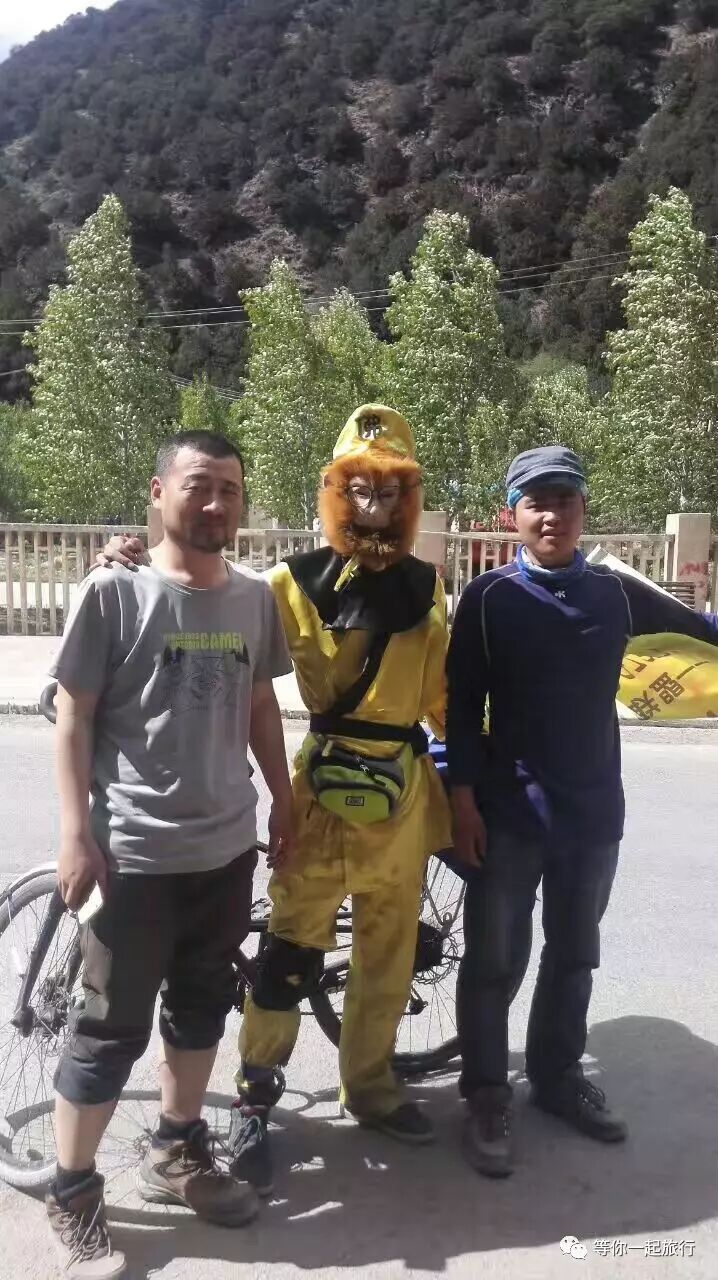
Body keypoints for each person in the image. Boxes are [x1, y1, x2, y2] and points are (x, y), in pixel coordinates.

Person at [103, 406, 451, 1194]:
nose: (373, 502)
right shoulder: (291, 583)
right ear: (337, 490)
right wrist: (132, 560)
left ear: (408, 498)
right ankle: (256, 1097)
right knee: (288, 955)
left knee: (388, 956)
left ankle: (370, 1086)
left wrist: (473, 777)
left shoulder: (429, 587)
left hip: (401, 799)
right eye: (359, 486)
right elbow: (213, 605)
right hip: (321, 795)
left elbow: (442, 695)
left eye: (389, 488)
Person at [47, 430, 294, 1279]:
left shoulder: (254, 598)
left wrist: (285, 800)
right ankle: (72, 1189)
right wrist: (76, 832)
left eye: (230, 487)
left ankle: (176, 1150)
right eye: (199, 485)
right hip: (133, 859)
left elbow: (260, 706)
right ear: (159, 493)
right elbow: (74, 714)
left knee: (199, 1010)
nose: (217, 502)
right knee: (107, 1030)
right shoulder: (113, 592)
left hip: (224, 851)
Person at [447, 445, 718, 1180]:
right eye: (535, 502)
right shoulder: (489, 599)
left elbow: (700, 634)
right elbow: (462, 708)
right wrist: (463, 801)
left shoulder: (616, 593)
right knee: (495, 961)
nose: (551, 515)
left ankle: (557, 1078)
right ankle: (486, 1095)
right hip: (509, 814)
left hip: (593, 815)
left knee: (574, 955)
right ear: (511, 515)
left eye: (563, 499)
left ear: (582, 508)